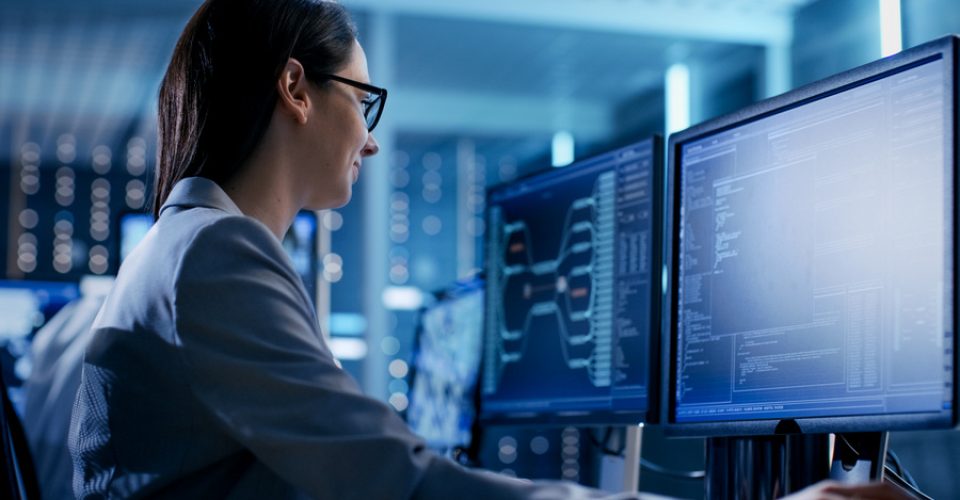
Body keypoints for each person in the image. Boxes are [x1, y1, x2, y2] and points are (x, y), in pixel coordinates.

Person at [66, 0, 914, 499]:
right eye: (365, 100)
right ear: (296, 88)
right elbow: (405, 486)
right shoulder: (215, 257)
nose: (369, 142)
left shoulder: (190, 248)